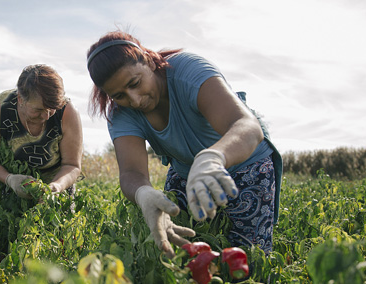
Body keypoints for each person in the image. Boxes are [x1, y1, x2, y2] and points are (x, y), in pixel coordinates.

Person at [86, 31, 282, 259]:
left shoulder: (188, 71)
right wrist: (144, 194)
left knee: (245, 259)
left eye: (135, 83)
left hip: (247, 164)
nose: (135, 100)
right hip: (186, 170)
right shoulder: (121, 114)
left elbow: (247, 126)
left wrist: (213, 158)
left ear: (148, 61)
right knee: (181, 252)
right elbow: (131, 171)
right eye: (119, 95)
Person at [0, 64, 83, 201]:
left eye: (52, 109)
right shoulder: (1, 107)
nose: (47, 116)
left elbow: (72, 165)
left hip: (57, 189)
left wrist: (56, 187)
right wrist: (9, 179)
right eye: (38, 110)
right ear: (20, 99)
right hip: (12, 188)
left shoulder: (67, 111)